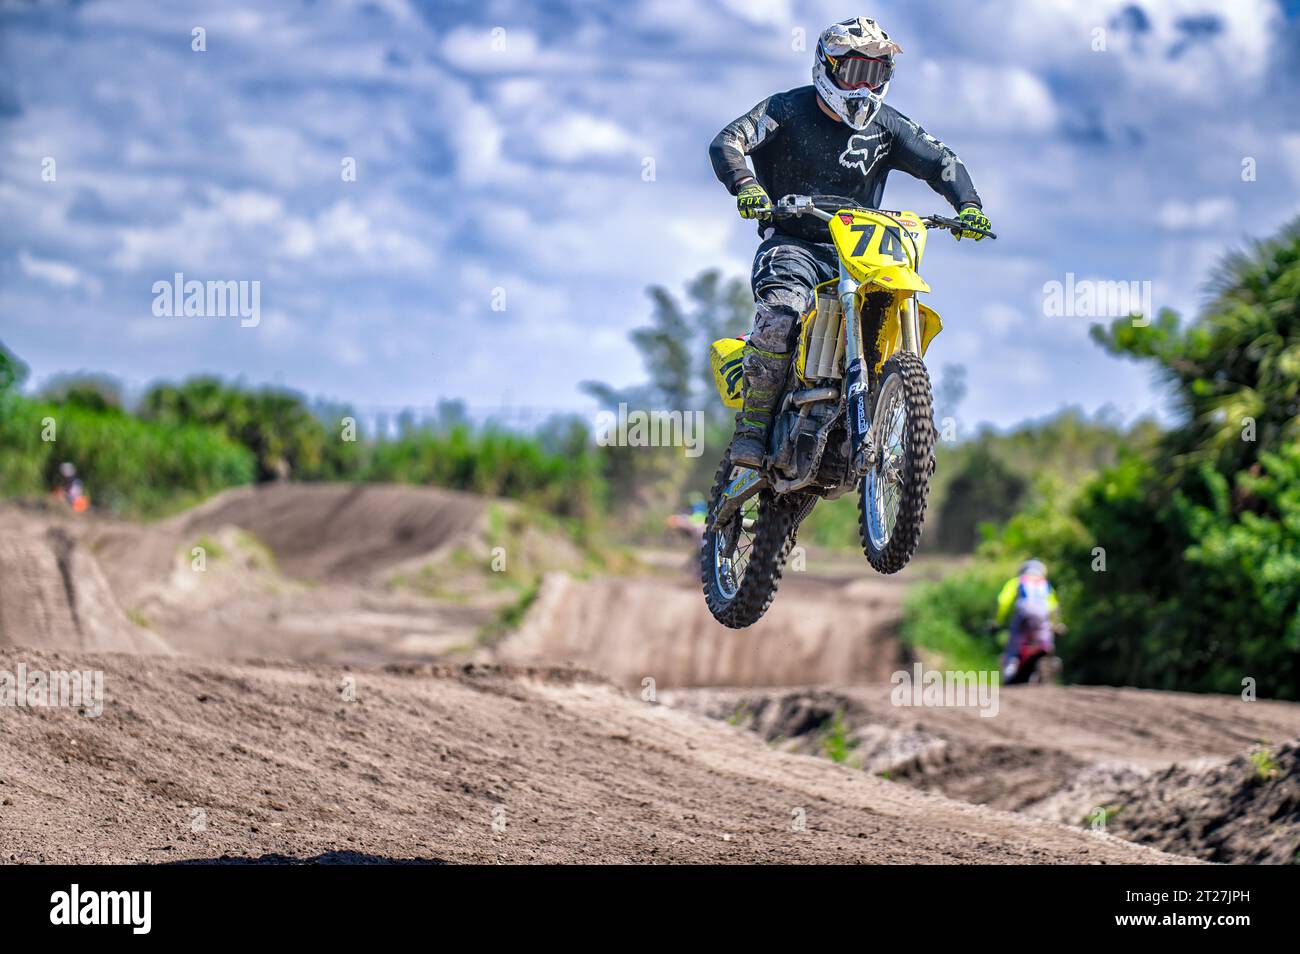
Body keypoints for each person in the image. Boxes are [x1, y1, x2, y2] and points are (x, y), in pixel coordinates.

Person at [708, 15, 993, 466]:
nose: (864, 86)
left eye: (876, 73)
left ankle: (890, 414)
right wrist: (746, 186)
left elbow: (943, 162)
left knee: (889, 310)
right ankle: (754, 426)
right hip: (793, 243)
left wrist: (969, 206)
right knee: (782, 311)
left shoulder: (888, 126)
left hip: (860, 249)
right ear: (827, 67)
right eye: (855, 71)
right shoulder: (785, 110)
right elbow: (728, 141)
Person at [994, 559, 1060, 681]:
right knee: (1047, 646)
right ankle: (1050, 664)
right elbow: (1054, 607)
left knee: (1014, 644)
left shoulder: (1018, 581)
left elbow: (1003, 601)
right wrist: (1057, 624)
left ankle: (1010, 666)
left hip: (1023, 617)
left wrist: (998, 620)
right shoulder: (1046, 584)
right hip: (1043, 620)